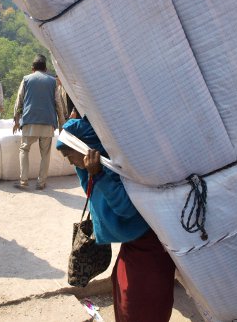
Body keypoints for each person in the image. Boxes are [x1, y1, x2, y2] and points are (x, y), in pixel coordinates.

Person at [56, 117, 176, 322]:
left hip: (148, 247)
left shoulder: (113, 170)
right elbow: (90, 192)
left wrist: (99, 175)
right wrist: (85, 168)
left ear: (85, 148)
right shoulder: (96, 168)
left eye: (69, 155)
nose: (69, 161)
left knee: (139, 306)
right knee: (123, 294)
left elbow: (126, 209)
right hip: (132, 245)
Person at [13, 54, 65, 190]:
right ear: (46, 69)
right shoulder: (53, 81)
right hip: (48, 122)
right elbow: (58, 104)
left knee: (24, 148)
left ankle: (23, 181)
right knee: (45, 153)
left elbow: (19, 100)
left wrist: (16, 119)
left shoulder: (26, 79)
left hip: (29, 120)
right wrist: (62, 125)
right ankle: (41, 183)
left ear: (32, 68)